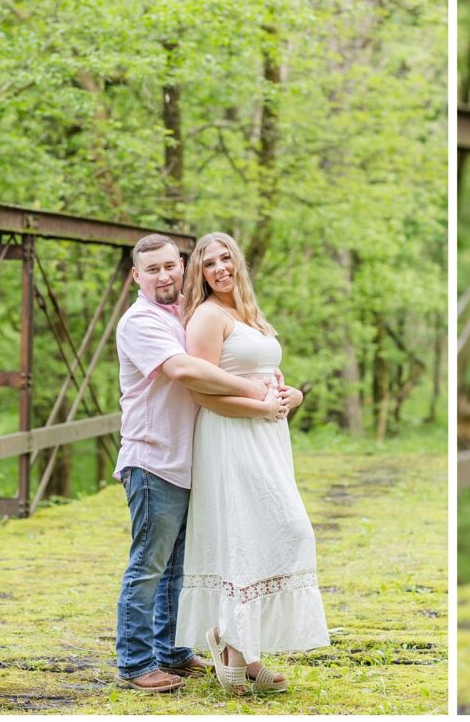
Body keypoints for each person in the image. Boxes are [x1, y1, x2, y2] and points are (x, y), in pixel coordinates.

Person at [114, 234, 281, 692]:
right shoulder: (140, 322)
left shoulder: (182, 312)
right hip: (153, 458)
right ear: (137, 276)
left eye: (171, 266)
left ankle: (173, 652)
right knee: (149, 564)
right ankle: (135, 663)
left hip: (191, 459)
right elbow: (185, 371)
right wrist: (254, 389)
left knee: (177, 567)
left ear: (182, 265)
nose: (164, 275)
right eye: (152, 270)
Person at [174, 232, 330, 695]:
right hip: (232, 435)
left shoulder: (250, 313)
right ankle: (231, 650)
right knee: (260, 529)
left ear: (238, 262)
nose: (220, 268)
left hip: (268, 436)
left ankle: (244, 648)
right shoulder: (206, 316)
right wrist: (260, 408)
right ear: (199, 274)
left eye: (226, 259)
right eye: (209, 263)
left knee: (269, 531)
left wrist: (293, 395)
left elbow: (267, 376)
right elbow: (201, 391)